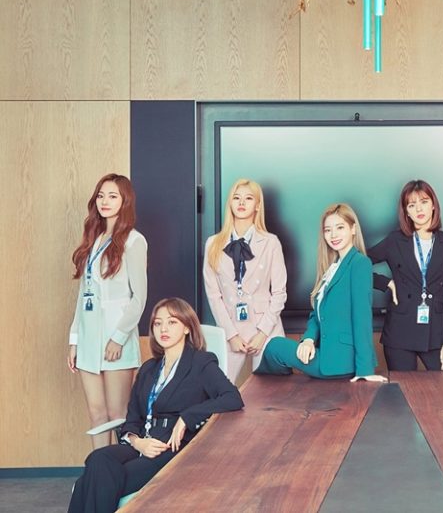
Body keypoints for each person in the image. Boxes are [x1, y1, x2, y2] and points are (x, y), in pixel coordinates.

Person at [68, 298, 244, 512]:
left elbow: (232, 397)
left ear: (187, 327)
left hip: (172, 447)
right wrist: (137, 442)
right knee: (98, 458)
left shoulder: (201, 362)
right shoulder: (149, 368)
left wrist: (187, 417)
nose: (163, 329)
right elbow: (133, 417)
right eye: (158, 323)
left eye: (172, 322)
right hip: (143, 443)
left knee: (89, 483)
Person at [256, 204, 386, 382]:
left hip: (341, 362)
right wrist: (308, 340)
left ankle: (268, 391)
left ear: (353, 229)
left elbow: (362, 317)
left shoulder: (360, 263)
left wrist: (364, 370)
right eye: (328, 230)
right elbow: (317, 315)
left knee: (274, 345)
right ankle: (276, 391)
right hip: (326, 355)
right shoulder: (332, 268)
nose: (333, 235)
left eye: (340, 227)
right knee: (274, 348)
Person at [68, 174, 147, 449]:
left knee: (117, 415)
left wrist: (119, 338)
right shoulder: (94, 239)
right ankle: (99, 472)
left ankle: (123, 471)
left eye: (113, 196)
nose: (105, 201)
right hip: (88, 340)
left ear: (125, 201)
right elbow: (83, 296)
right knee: (97, 415)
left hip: (116, 340)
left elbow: (139, 298)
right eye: (101, 195)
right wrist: (75, 340)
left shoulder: (134, 241)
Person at [367, 180, 443, 371]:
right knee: (404, 388)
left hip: (437, 333)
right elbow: (355, 265)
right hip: (400, 332)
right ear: (406, 212)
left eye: (424, 202)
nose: (419, 209)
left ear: (433, 205)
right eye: (411, 205)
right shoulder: (395, 241)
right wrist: (385, 283)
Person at [203, 179, 287, 381]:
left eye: (248, 198)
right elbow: (213, 295)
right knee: (220, 388)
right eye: (236, 198)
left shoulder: (271, 243)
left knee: (271, 392)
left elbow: (279, 293)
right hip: (230, 327)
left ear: (257, 205)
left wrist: (262, 333)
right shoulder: (213, 244)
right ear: (230, 203)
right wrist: (231, 335)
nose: (241, 202)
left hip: (266, 327)